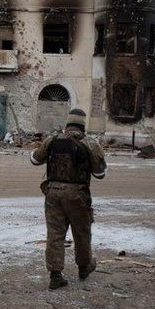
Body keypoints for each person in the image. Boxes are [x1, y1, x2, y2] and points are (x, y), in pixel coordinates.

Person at [30, 108, 107, 290]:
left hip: (53, 193)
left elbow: (34, 160)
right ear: (82, 125)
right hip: (77, 194)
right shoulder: (89, 143)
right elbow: (100, 173)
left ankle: (55, 275)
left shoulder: (52, 140)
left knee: (55, 233)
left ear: (67, 123)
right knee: (81, 231)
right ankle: (84, 267)